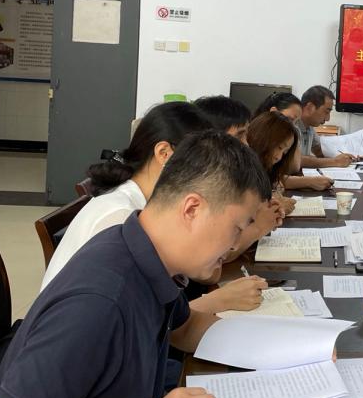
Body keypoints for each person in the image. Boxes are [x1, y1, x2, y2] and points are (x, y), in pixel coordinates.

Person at [0, 130, 269, 398]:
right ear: (192, 209)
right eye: (236, 228)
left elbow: (186, 328)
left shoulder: (144, 252)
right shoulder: (98, 304)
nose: (234, 245)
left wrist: (282, 351)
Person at [41, 102, 269, 315]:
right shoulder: (121, 219)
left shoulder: (146, 209)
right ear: (164, 153)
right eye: (198, 159)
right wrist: (220, 299)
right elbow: (142, 317)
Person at [259, 91, 334, 191]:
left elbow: (281, 174)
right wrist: (309, 182)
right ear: (273, 113)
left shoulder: (288, 133)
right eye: (289, 119)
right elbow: (266, 181)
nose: (293, 127)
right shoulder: (258, 140)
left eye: (295, 123)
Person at [245, 111, 302, 217]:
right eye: (279, 147)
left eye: (284, 152)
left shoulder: (262, 168)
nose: (279, 157)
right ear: (262, 138)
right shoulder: (240, 167)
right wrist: (275, 208)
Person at [297, 85, 356, 169]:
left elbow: (319, 150)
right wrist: (335, 161)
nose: (328, 119)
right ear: (310, 108)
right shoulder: (292, 125)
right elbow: (296, 160)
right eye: (326, 112)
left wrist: (346, 156)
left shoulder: (309, 127)